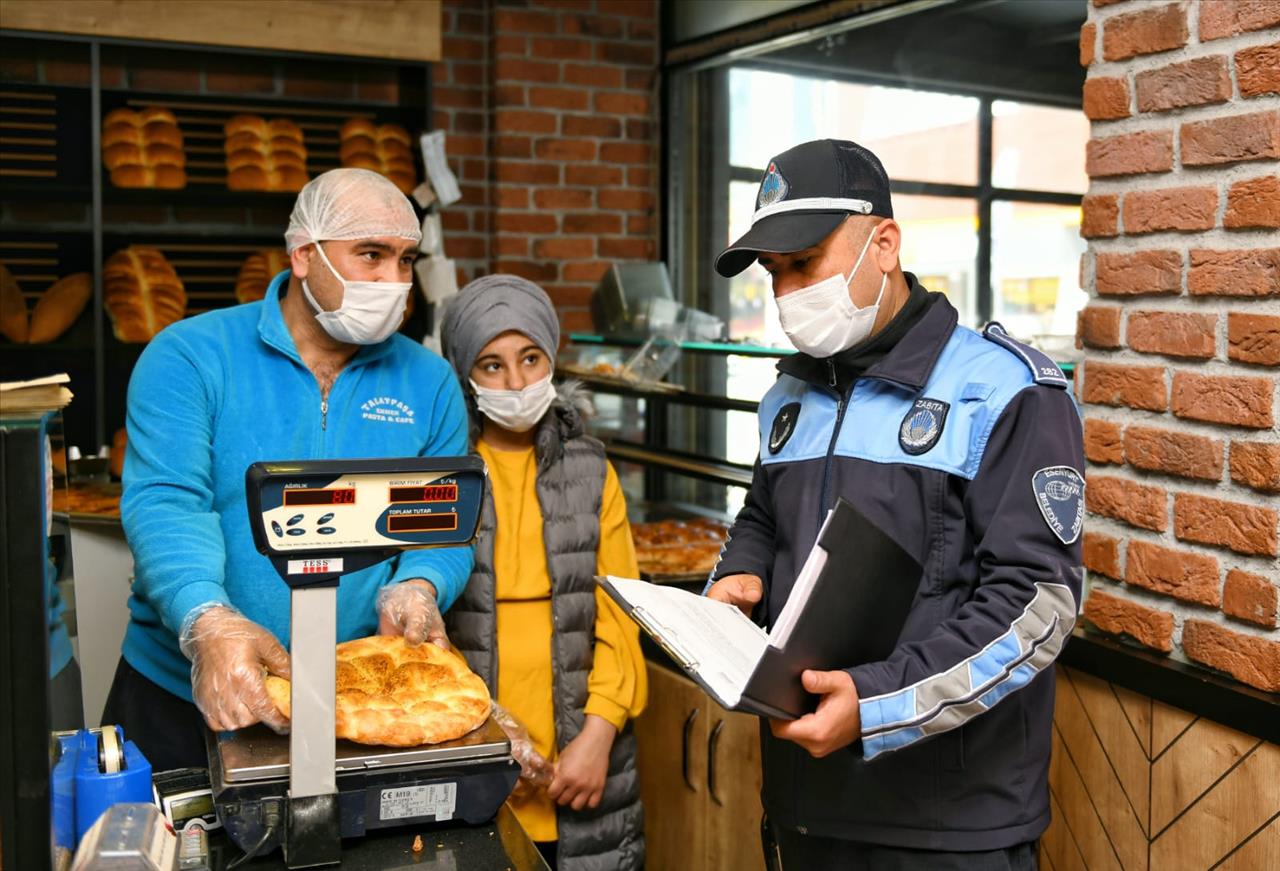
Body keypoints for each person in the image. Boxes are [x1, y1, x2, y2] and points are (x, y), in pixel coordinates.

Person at [705, 139, 1084, 869]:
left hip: (946, 822)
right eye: (773, 272)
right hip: (805, 805)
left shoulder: (1005, 391)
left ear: (883, 244)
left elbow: (1038, 602)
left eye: (805, 262)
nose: (785, 293)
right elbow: (760, 514)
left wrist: (876, 702)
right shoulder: (789, 394)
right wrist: (741, 572)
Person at [103, 168, 473, 770]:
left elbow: (444, 525)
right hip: (180, 692)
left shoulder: (428, 382)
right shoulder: (190, 355)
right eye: (371, 255)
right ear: (304, 255)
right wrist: (208, 620)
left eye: (406, 261)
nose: (394, 281)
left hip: (354, 698)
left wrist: (422, 583)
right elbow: (169, 503)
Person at [441, 275, 646, 871]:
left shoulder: (591, 469)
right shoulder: (444, 474)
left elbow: (620, 612)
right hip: (476, 749)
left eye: (530, 359)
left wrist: (599, 734)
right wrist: (481, 751)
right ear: (466, 377)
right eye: (492, 365)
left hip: (582, 756)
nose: (516, 383)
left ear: (551, 359)